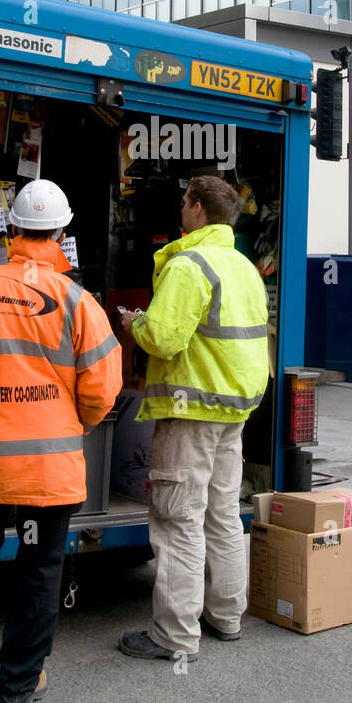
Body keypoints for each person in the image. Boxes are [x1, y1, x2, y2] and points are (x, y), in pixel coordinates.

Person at [0, 178, 121, 703]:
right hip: (49, 469)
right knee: (40, 568)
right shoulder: (79, 302)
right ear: (61, 233)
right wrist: (74, 423)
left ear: (12, 229)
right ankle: (19, 682)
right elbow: (102, 388)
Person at [116, 175, 269, 660]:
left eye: (184, 202)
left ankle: (175, 636)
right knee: (222, 514)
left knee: (178, 519)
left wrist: (133, 323)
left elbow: (162, 339)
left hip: (190, 410)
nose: (180, 209)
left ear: (198, 208)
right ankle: (226, 617)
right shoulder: (244, 266)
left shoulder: (189, 264)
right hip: (233, 410)